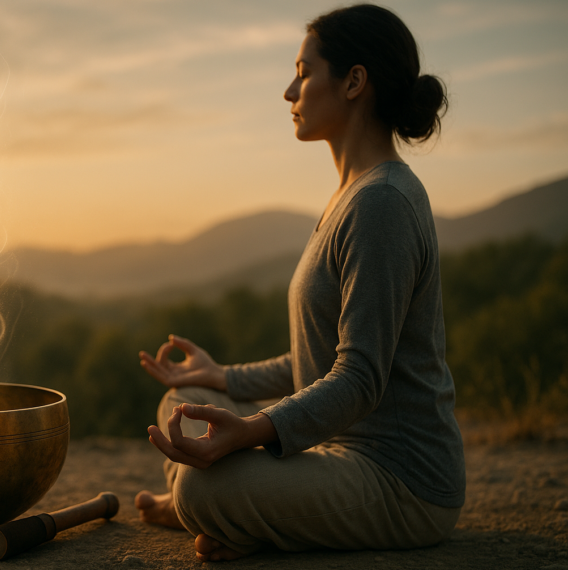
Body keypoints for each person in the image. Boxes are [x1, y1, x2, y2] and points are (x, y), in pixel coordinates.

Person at [134, 4, 466, 562]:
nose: (290, 91)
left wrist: (251, 431)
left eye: (305, 71)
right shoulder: (350, 197)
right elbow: (319, 362)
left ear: (354, 81)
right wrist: (222, 377)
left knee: (200, 483)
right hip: (336, 452)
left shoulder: (382, 203)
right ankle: (245, 517)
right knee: (185, 400)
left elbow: (359, 378)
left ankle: (225, 512)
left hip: (399, 483)